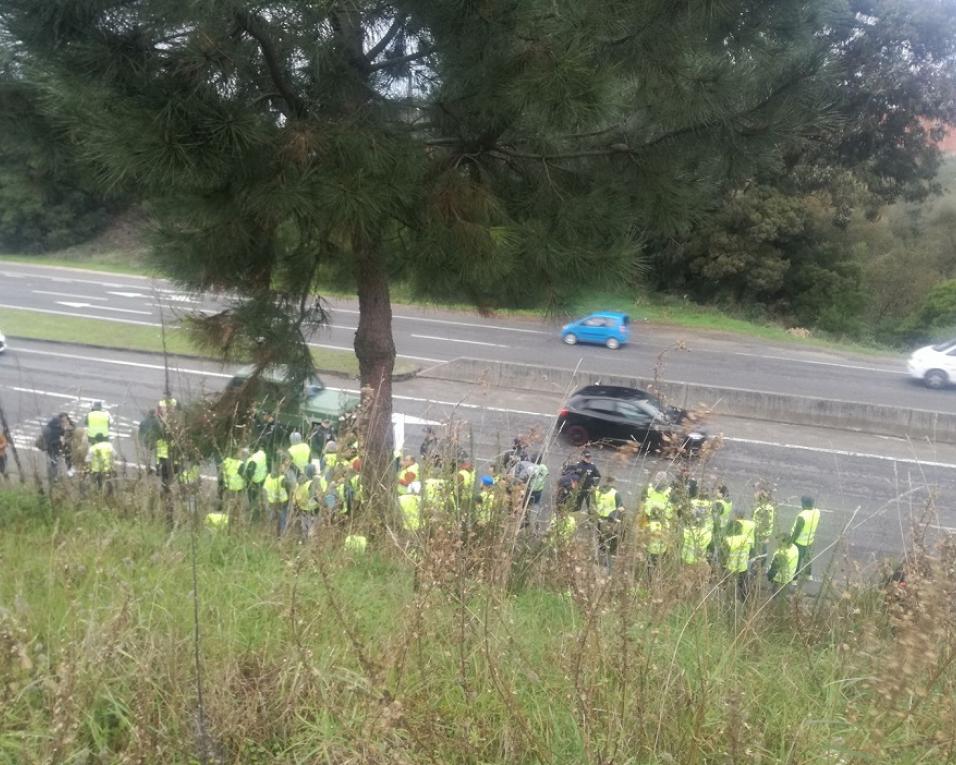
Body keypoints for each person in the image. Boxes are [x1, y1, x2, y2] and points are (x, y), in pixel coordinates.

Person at [593, 476, 624, 568]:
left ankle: (599, 560)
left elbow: (594, 504)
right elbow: (621, 508)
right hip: (610, 521)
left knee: (600, 541)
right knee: (611, 542)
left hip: (599, 520)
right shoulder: (615, 494)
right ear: (612, 483)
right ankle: (608, 564)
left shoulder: (597, 490)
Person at [789, 495, 821, 580]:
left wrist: (791, 541)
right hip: (809, 540)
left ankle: (794, 579)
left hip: (799, 542)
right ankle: (808, 575)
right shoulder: (817, 512)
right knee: (807, 558)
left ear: (803, 504)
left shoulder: (802, 516)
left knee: (796, 561)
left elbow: (797, 532)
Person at [722, 524, 753, 601]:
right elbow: (751, 551)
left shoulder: (727, 540)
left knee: (727, 586)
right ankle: (744, 601)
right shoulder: (747, 539)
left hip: (730, 567)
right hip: (742, 567)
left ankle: (728, 600)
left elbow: (724, 554)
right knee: (743, 586)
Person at [263, 456, 292, 535]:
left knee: (271, 520)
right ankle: (282, 537)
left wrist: (266, 504)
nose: (285, 468)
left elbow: (264, 490)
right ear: (280, 466)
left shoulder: (268, 476)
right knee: (283, 520)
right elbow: (290, 490)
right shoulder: (283, 479)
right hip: (282, 504)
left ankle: (270, 535)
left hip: (271, 503)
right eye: (284, 466)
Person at [43, 413, 75, 480]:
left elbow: (72, 432)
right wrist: (61, 439)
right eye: (63, 421)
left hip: (64, 445)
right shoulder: (56, 427)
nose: (64, 422)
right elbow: (54, 438)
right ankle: (54, 477)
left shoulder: (68, 425)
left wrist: (67, 429)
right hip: (55, 446)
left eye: (65, 420)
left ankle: (65, 473)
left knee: (66, 458)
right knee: (55, 461)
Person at [752, 488, 777, 560]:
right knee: (762, 551)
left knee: (758, 551)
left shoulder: (762, 509)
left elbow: (764, 523)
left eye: (757, 494)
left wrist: (765, 536)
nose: (755, 495)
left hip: (760, 534)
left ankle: (758, 566)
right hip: (764, 533)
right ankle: (761, 564)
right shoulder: (769, 507)